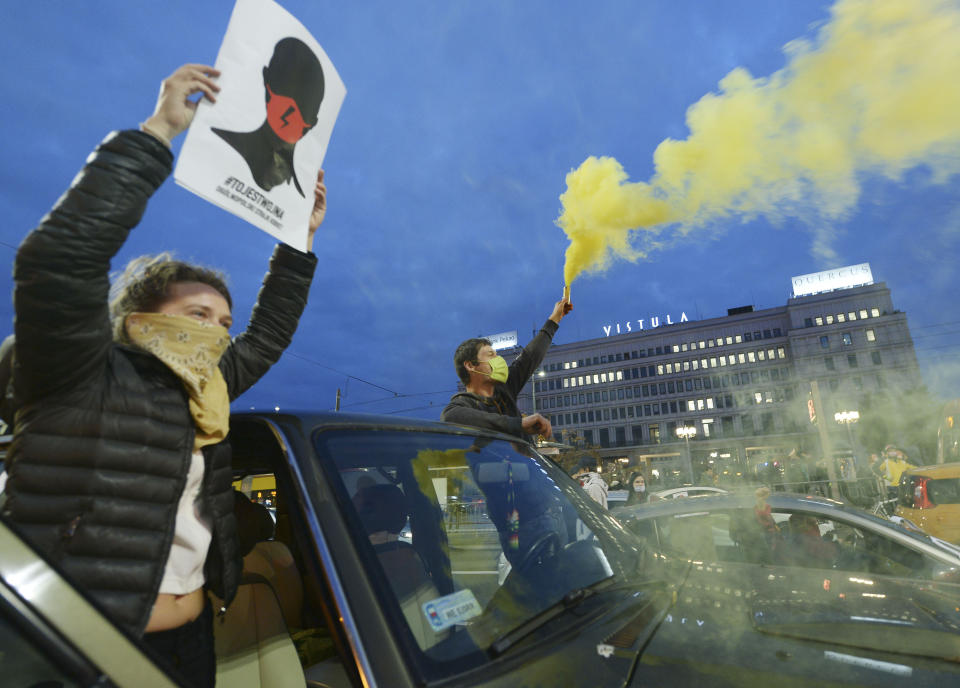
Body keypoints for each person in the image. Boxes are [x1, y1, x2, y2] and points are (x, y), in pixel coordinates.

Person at [3, 63, 325, 688]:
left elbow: (269, 333)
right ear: (138, 316)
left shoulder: (205, 388)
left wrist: (299, 241)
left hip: (193, 642)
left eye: (223, 321)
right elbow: (59, 258)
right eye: (197, 314)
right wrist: (159, 131)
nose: (216, 332)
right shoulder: (78, 371)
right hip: (83, 652)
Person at [442, 298, 572, 440]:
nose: (499, 360)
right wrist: (517, 424)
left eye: (497, 355)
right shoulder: (462, 405)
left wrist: (555, 319)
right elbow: (450, 416)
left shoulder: (505, 388)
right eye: (491, 355)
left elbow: (529, 357)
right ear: (470, 365)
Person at [213, 37, 324, 197]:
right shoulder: (220, 147)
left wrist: (305, 221)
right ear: (267, 82)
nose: (292, 120)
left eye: (305, 115)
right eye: (288, 108)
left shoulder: (300, 195)